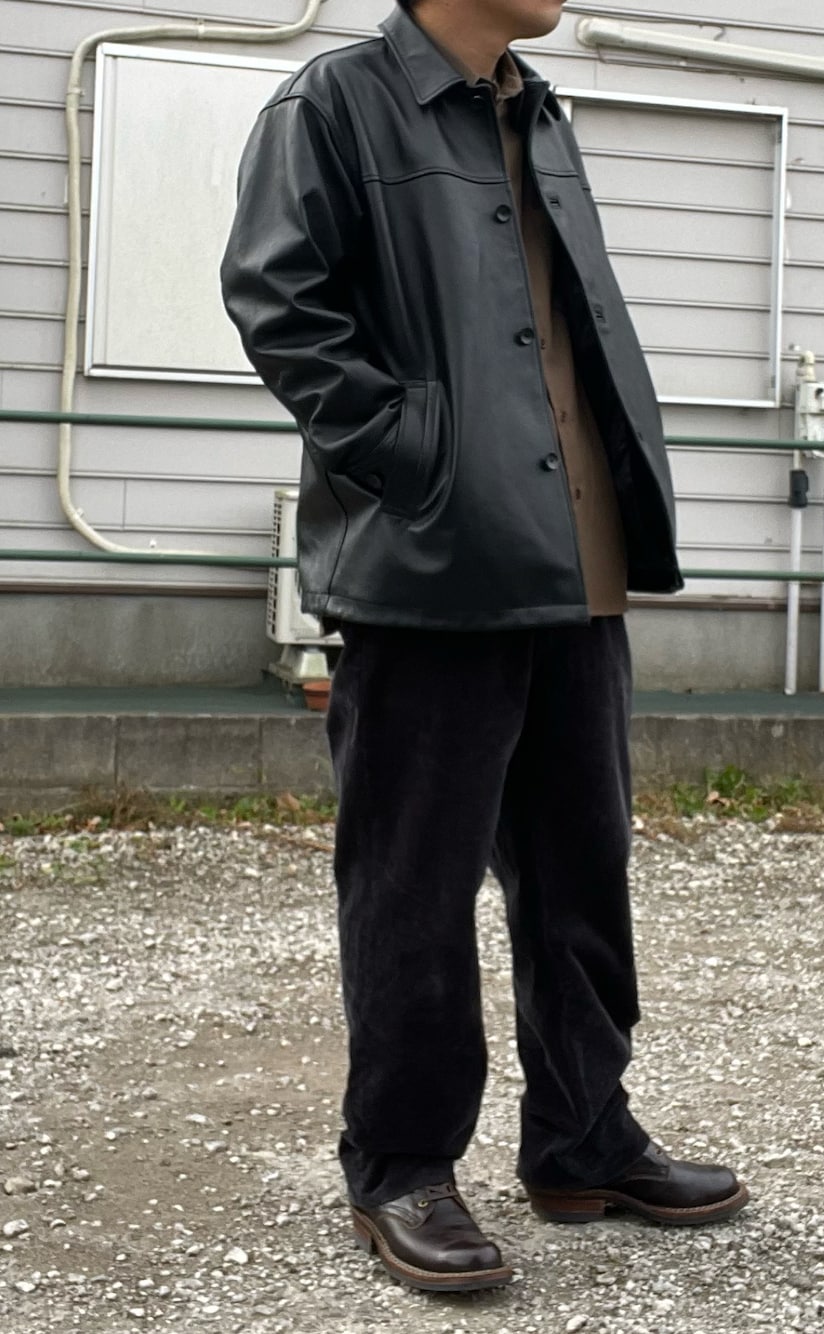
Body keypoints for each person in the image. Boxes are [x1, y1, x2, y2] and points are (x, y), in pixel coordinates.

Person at [221, 0, 748, 1294]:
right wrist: (419, 458)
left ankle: (583, 1136)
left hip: (577, 557)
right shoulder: (337, 103)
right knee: (415, 882)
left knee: (584, 868)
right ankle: (402, 1163)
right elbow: (278, 300)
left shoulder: (537, 110)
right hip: (433, 568)